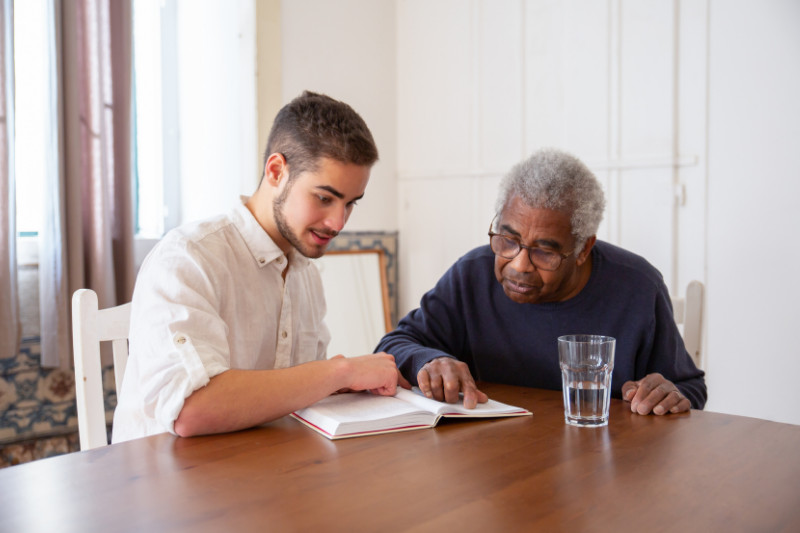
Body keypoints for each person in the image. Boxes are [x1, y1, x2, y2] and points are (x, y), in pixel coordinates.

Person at [113, 91, 405, 443]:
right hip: (165, 484)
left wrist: (359, 385)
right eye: (324, 198)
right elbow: (191, 411)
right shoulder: (189, 257)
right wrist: (341, 371)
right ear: (276, 171)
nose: (338, 223)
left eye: (350, 204)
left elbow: (302, 393)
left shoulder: (306, 274)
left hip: (260, 472)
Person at [376, 148, 706, 416]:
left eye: (544, 252)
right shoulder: (472, 275)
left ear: (582, 249)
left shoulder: (637, 288)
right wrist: (430, 360)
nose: (518, 265)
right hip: (494, 465)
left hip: (602, 469)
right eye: (508, 239)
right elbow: (393, 346)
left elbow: (688, 387)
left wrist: (667, 393)